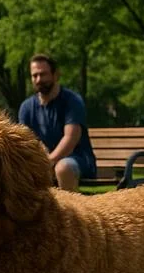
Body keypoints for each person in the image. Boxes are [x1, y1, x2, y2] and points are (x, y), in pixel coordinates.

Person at [17, 54, 98, 191]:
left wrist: (48, 162)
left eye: (43, 74)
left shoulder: (72, 101)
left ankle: (71, 211)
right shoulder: (26, 107)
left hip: (77, 160)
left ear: (55, 75)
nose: (38, 79)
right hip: (44, 163)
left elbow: (70, 139)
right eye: (34, 75)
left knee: (63, 167)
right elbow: (26, 141)